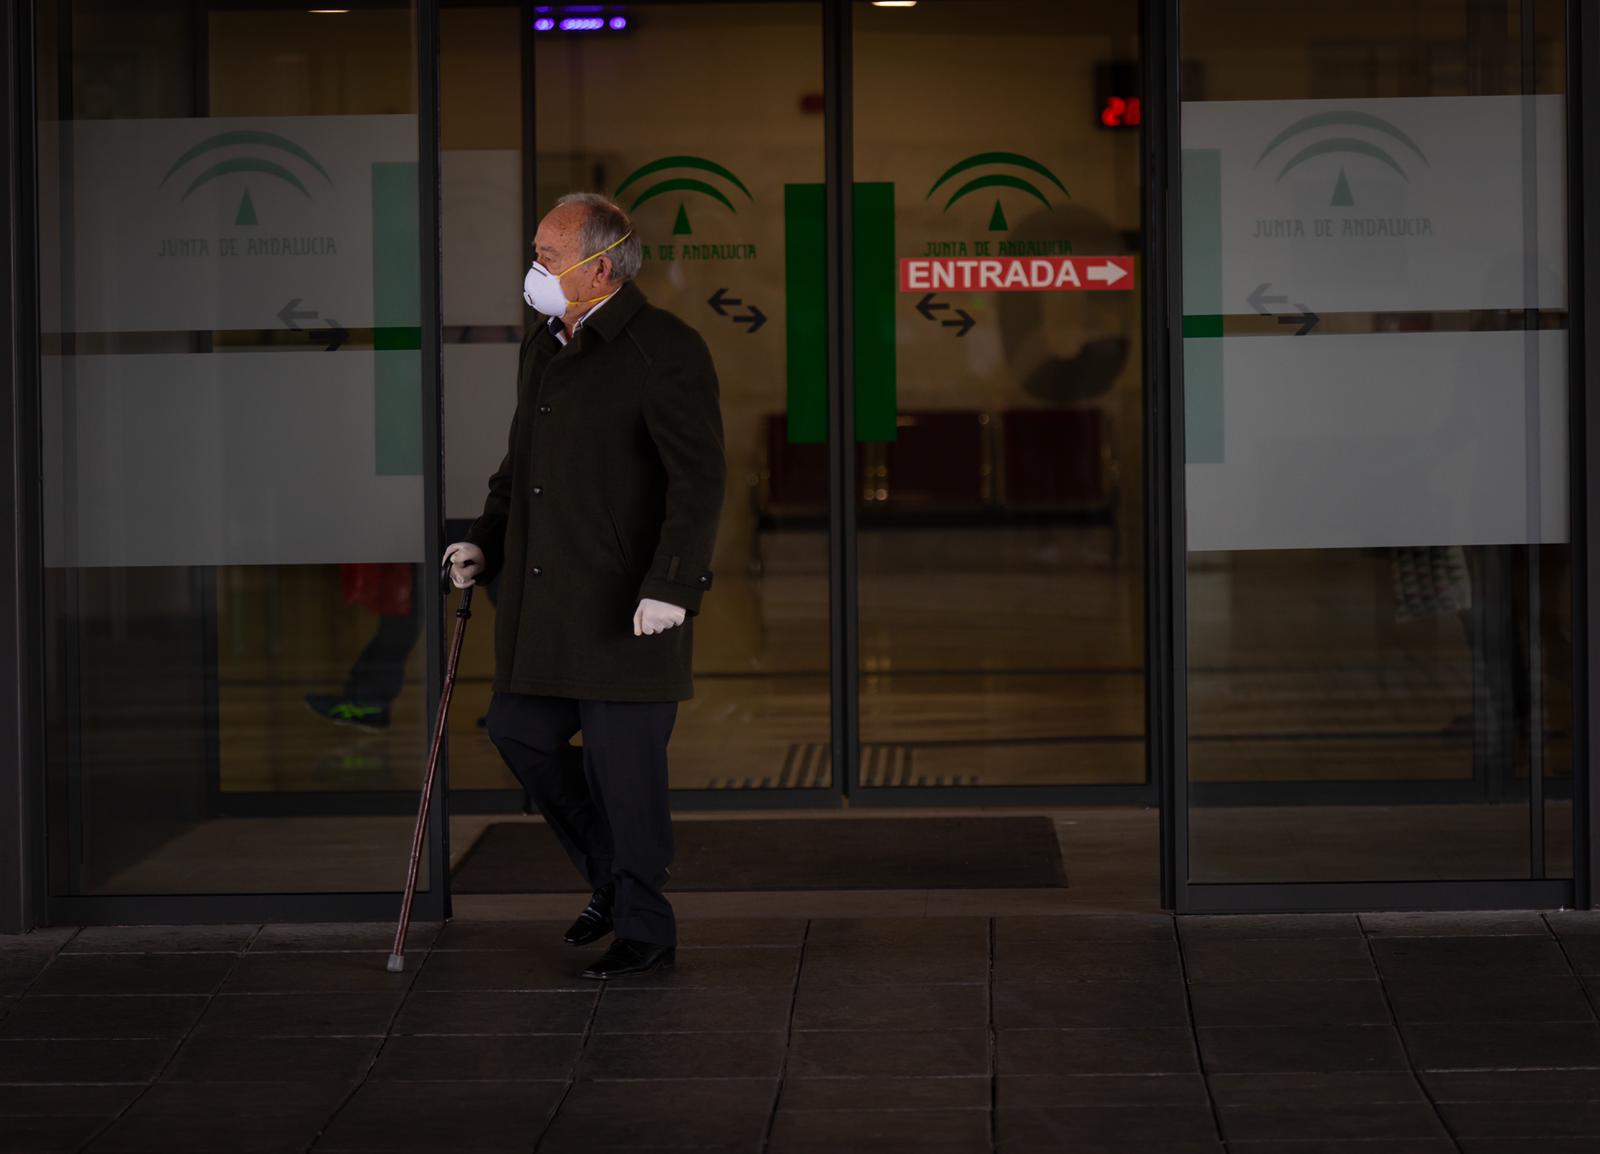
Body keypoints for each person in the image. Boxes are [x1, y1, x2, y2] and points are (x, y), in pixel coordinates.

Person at [444, 192, 725, 980]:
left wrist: (673, 584)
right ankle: (613, 878)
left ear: (598, 266)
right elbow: (519, 467)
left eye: (546, 254)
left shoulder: (663, 348)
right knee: (518, 730)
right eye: (535, 251)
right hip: (550, 605)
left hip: (629, 609)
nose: (533, 269)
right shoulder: (546, 345)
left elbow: (697, 481)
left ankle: (646, 929)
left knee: (624, 775)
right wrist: (481, 539)